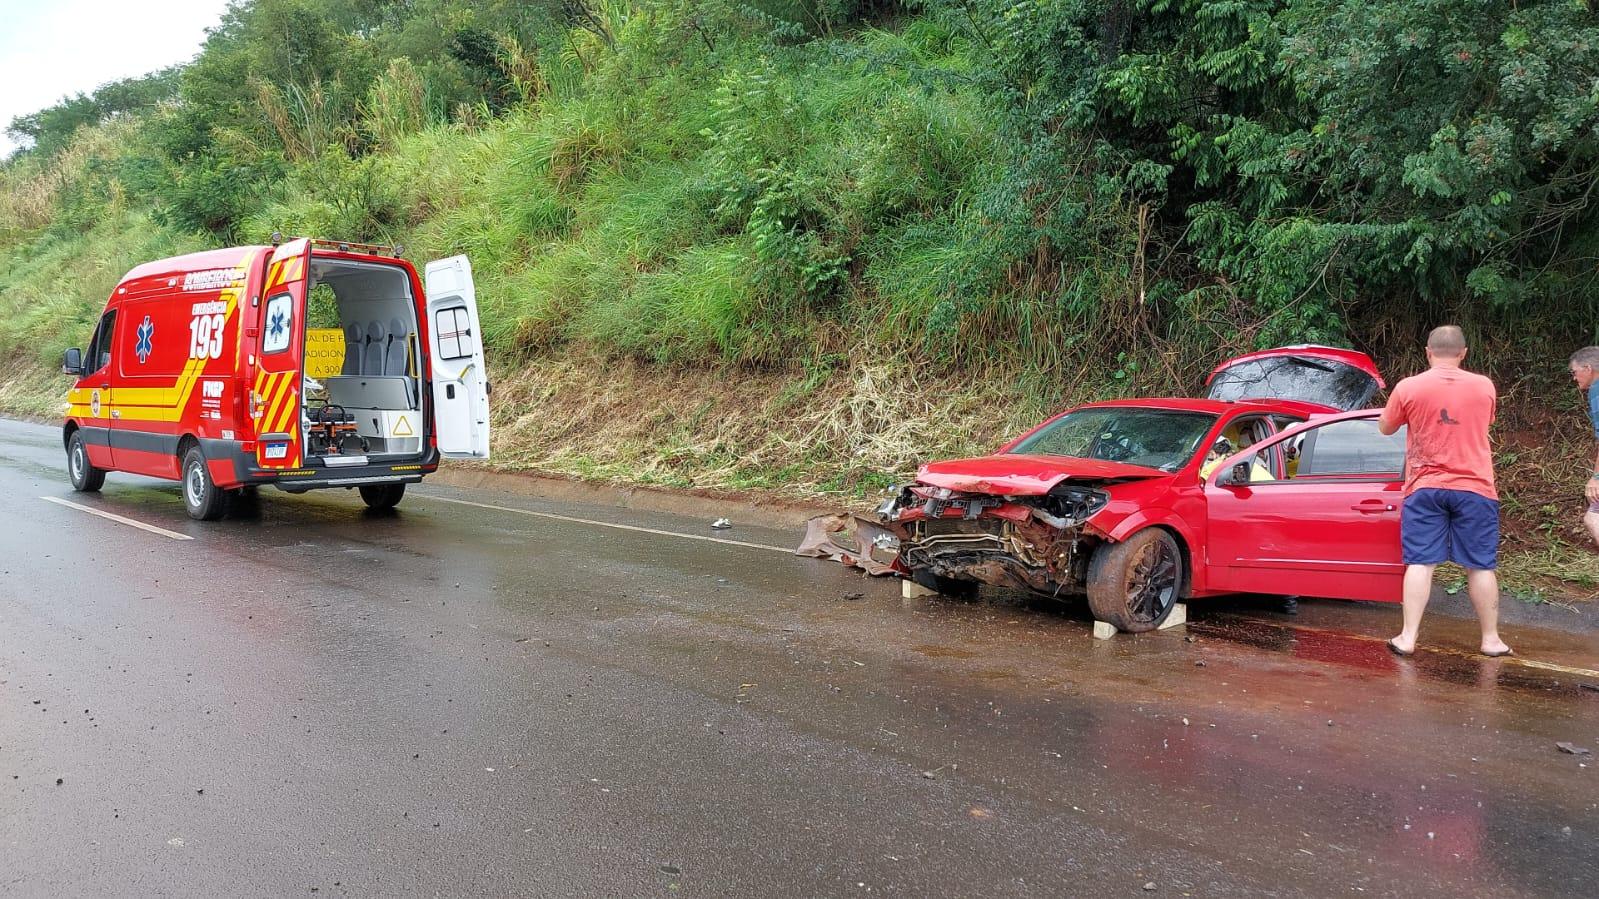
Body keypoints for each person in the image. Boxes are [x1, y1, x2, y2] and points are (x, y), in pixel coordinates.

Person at [1378, 325, 1512, 658]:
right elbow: (1486, 423)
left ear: (1428, 351)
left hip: (1425, 486)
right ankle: (1491, 640)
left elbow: (1385, 427)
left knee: (1421, 563)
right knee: (1480, 566)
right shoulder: (1484, 386)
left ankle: (1408, 638)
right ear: (1464, 353)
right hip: (1476, 486)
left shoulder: (1409, 387)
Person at [1568, 346, 1599, 547]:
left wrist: (1596, 477)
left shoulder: (1597, 390)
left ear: (1588, 368)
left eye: (1574, 371)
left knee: (1593, 518)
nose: (1574, 377)